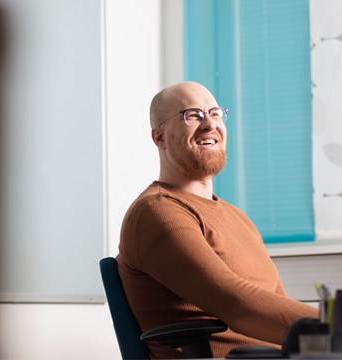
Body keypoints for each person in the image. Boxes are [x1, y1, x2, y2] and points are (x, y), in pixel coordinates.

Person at [116, 81, 320, 358]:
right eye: (193, 115)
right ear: (159, 138)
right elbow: (237, 305)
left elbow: (277, 307)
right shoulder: (157, 211)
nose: (209, 124)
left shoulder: (238, 218)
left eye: (215, 113)